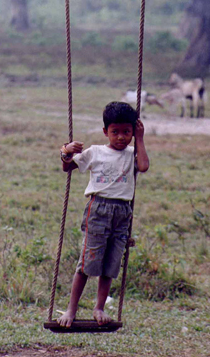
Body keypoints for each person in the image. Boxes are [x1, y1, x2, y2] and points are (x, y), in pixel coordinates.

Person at [57, 101, 149, 327]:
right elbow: (67, 167)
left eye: (126, 132)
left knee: (110, 264)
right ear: (105, 132)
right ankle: (71, 309)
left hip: (122, 213)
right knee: (88, 261)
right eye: (115, 132)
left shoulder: (132, 153)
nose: (120, 138)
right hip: (98, 210)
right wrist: (65, 152)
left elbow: (144, 166)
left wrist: (140, 138)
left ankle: (99, 308)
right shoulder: (95, 152)